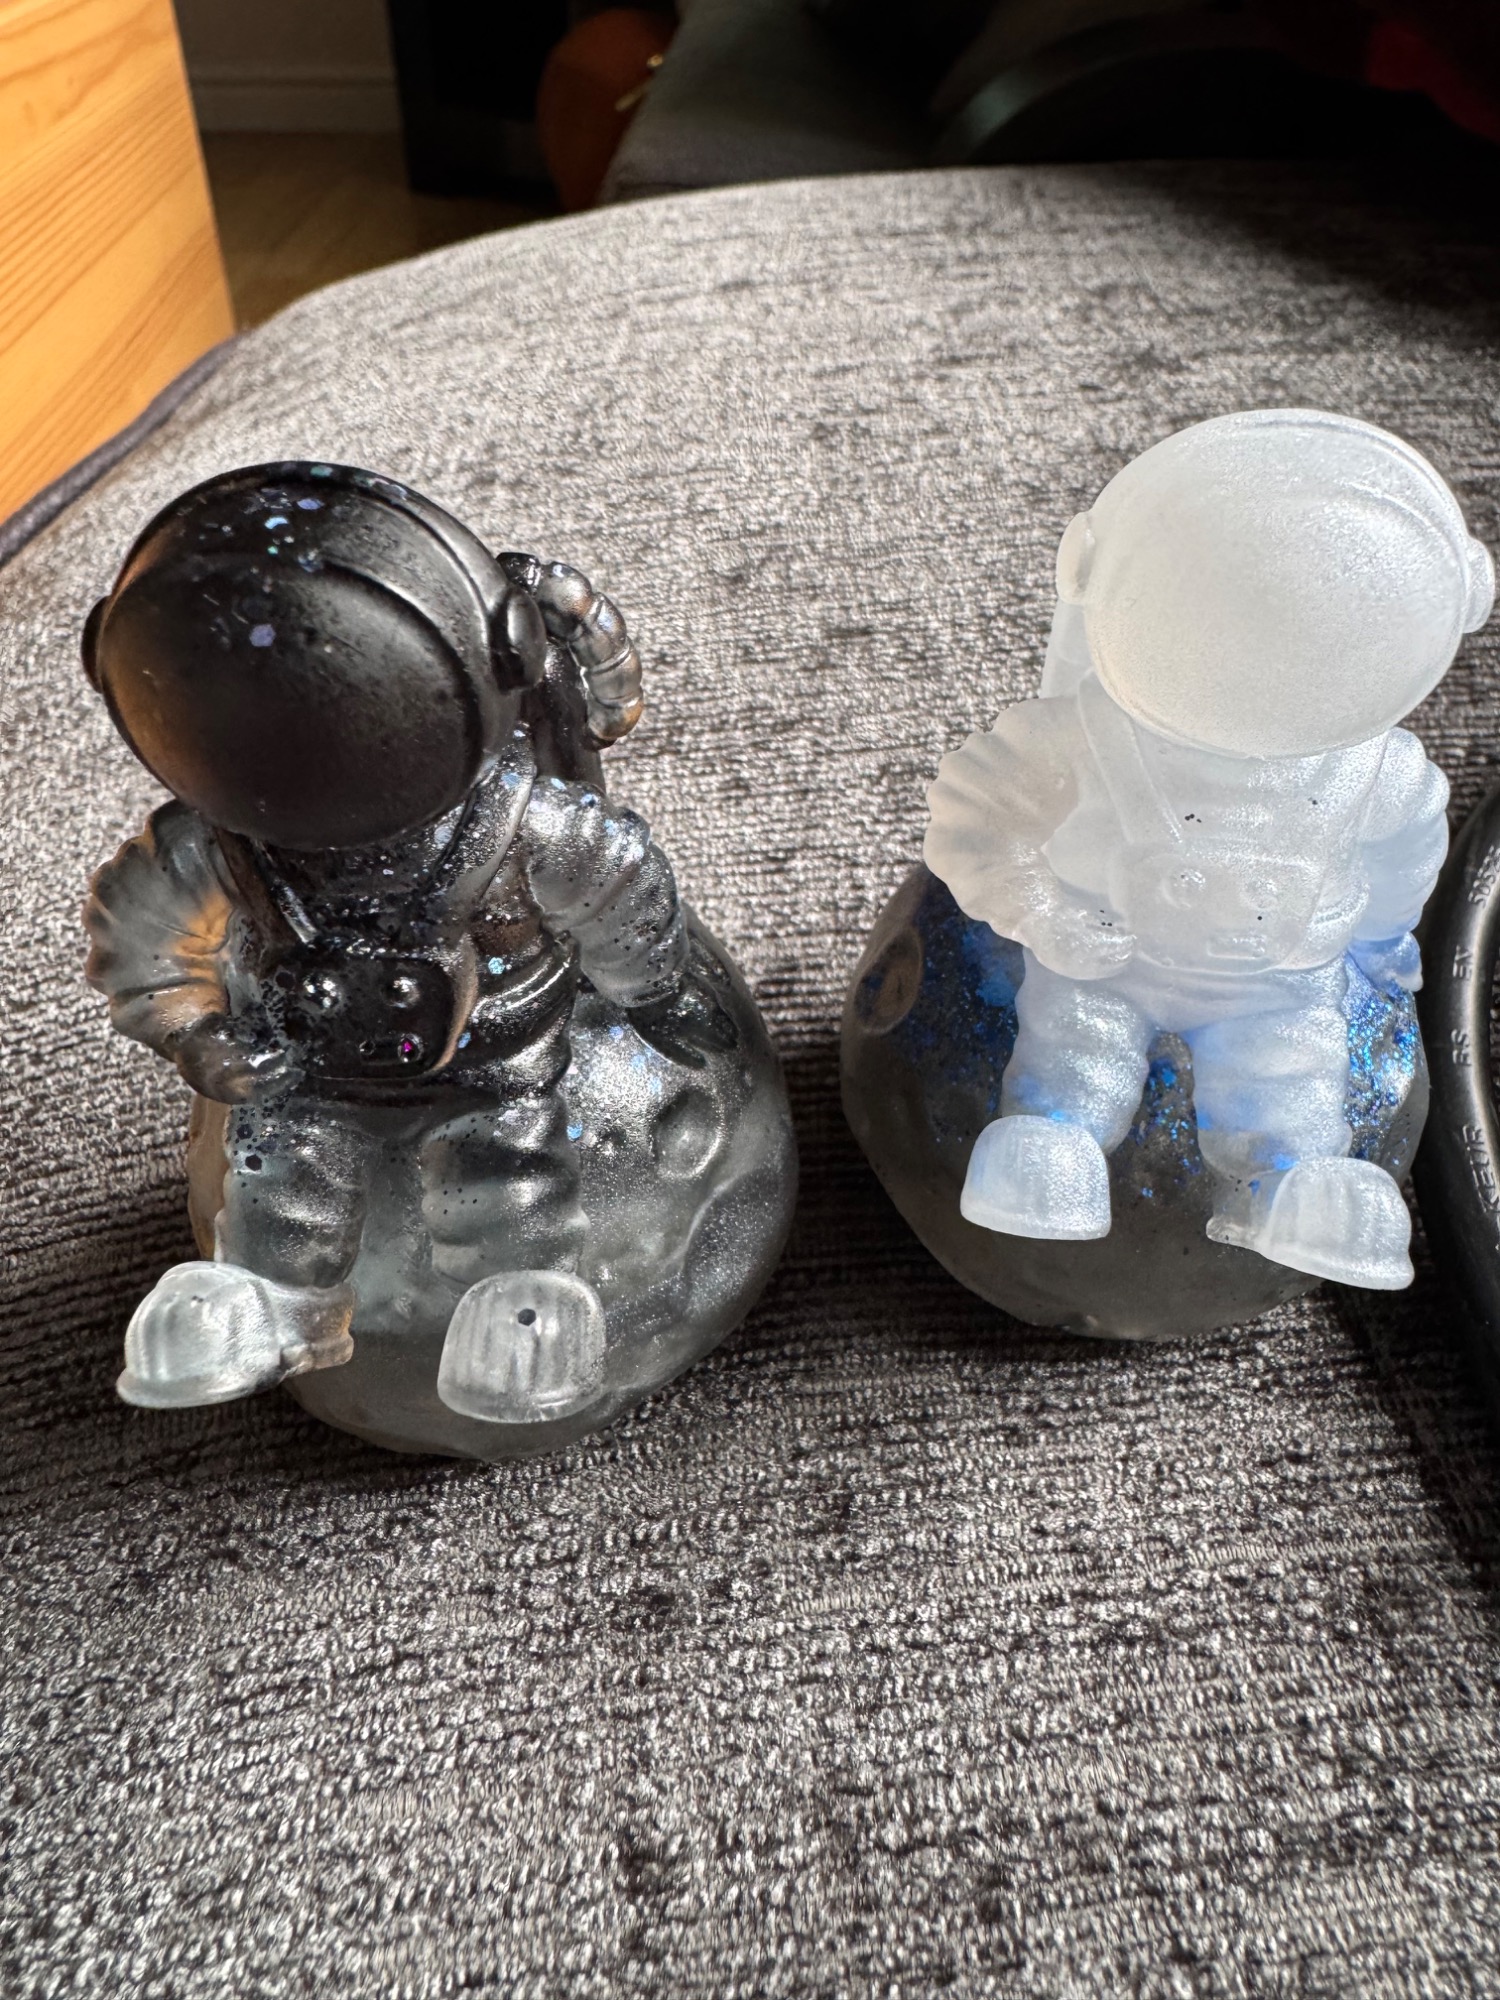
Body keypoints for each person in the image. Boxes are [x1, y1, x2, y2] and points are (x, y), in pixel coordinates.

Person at [84, 462, 731, 1416]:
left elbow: (618, 887)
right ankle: (268, 1299)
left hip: (501, 1060)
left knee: (504, 1170)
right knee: (279, 1168)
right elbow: (139, 944)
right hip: (299, 1068)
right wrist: (200, 1038)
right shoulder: (219, 849)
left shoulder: (517, 826)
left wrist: (655, 995)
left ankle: (520, 1298)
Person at [924, 409, 1495, 1288]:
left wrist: (1382, 941)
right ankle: (1050, 1142)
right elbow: (975, 817)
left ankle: (1299, 1182)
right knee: (1076, 1047)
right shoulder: (1087, 736)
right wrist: (1040, 912)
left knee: (1293, 1072)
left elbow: (1408, 853)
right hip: (1104, 959)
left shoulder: (1374, 768)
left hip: (1280, 983)